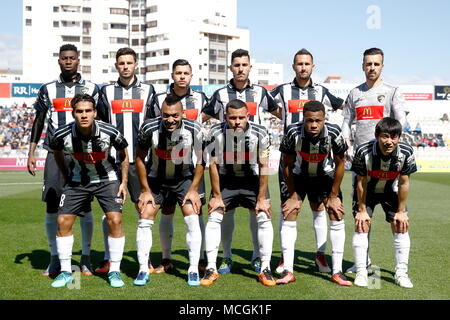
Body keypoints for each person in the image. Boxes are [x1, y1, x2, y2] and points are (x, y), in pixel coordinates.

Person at [202, 49, 280, 274]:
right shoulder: (219, 94)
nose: (240, 69)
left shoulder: (261, 93)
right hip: (226, 164)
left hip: (253, 166)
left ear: (249, 67)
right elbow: (203, 116)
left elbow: (280, 113)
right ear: (231, 68)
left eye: (244, 65)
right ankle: (225, 258)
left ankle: (258, 257)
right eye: (236, 65)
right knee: (226, 214)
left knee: (258, 213)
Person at [27, 44, 100, 277]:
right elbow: (39, 120)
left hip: (82, 153)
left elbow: (102, 120)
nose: (68, 61)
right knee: (51, 205)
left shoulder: (91, 88)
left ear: (78, 60)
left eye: (72, 58)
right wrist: (31, 151)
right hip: (54, 152)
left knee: (85, 205)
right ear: (59, 61)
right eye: (64, 58)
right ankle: (54, 258)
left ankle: (86, 258)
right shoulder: (48, 89)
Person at [271, 48, 344, 274]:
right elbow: (264, 106)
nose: (303, 67)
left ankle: (320, 256)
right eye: (299, 64)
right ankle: (286, 258)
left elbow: (343, 106)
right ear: (293, 67)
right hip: (292, 159)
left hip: (320, 158)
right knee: (288, 208)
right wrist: (284, 120)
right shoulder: (282, 90)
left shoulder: (322, 91)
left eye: (307, 64)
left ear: (313, 67)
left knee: (319, 208)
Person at [48, 94, 129, 288]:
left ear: (95, 112)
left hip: (106, 179)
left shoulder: (110, 132)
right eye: (79, 111)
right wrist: (66, 174)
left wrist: (123, 181)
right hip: (77, 180)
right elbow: (57, 153)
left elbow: (124, 154)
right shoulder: (61, 134)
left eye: (88, 111)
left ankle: (115, 271)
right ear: (73, 113)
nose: (84, 115)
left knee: (115, 219)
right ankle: (67, 272)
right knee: (63, 220)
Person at [341, 47, 407, 273]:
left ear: (382, 66)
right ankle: (364, 262)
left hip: (388, 162)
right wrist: (347, 142)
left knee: (396, 216)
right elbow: (346, 122)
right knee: (361, 213)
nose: (372, 68)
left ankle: (400, 269)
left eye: (376, 64)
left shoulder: (392, 92)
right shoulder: (354, 94)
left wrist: (395, 146)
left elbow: (401, 123)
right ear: (362, 66)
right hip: (362, 163)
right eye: (368, 64)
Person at [201, 99, 276, 287]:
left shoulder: (260, 132)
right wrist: (216, 196)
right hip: (226, 180)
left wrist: (261, 198)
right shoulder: (215, 132)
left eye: (241, 117)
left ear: (247, 116)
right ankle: (215, 265)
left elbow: (264, 165)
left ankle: (264, 265)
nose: (237, 122)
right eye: (232, 117)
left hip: (251, 179)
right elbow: (213, 165)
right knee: (215, 216)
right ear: (225, 116)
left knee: (263, 215)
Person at [145, 59, 209, 274]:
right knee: (167, 210)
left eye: (186, 73)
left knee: (195, 211)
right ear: (172, 75)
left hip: (188, 167)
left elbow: (206, 121)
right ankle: (166, 259)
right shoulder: (159, 99)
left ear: (191, 76)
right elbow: (153, 124)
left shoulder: (201, 98)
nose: (182, 76)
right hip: (162, 164)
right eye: (178, 73)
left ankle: (200, 259)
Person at [134, 94, 205, 286]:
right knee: (145, 213)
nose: (170, 120)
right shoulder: (149, 128)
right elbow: (139, 158)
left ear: (183, 113)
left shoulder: (195, 128)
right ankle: (142, 269)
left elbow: (202, 159)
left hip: (184, 178)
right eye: (166, 115)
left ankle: (192, 269)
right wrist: (145, 190)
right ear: (160, 114)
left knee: (192, 214)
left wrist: (193, 189)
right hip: (156, 179)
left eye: (175, 115)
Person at [96, 47, 156, 274]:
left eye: (129, 63)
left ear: (136, 64)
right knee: (110, 212)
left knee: (144, 210)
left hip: (141, 161)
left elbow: (152, 123)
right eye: (121, 63)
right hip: (112, 162)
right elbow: (100, 122)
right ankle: (108, 259)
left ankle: (145, 260)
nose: (125, 67)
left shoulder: (148, 90)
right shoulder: (107, 92)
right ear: (116, 65)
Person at [279, 101, 351, 286]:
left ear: (324, 119)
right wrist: (293, 194)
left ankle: (336, 270)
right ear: (303, 119)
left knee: (336, 212)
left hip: (324, 177)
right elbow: (286, 164)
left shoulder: (334, 133)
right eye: (309, 120)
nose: (313, 125)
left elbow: (340, 163)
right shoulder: (292, 132)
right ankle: (288, 269)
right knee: (289, 211)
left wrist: (334, 195)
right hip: (299, 176)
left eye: (318, 121)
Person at [351, 117, 416, 288]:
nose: (389, 141)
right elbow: (360, 182)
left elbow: (404, 182)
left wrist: (401, 211)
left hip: (391, 191)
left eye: (394, 137)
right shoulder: (363, 151)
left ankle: (401, 272)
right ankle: (361, 271)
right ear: (376, 135)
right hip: (368, 192)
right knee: (361, 223)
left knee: (400, 225)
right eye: (385, 136)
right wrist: (362, 209)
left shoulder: (406, 152)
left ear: (399, 137)